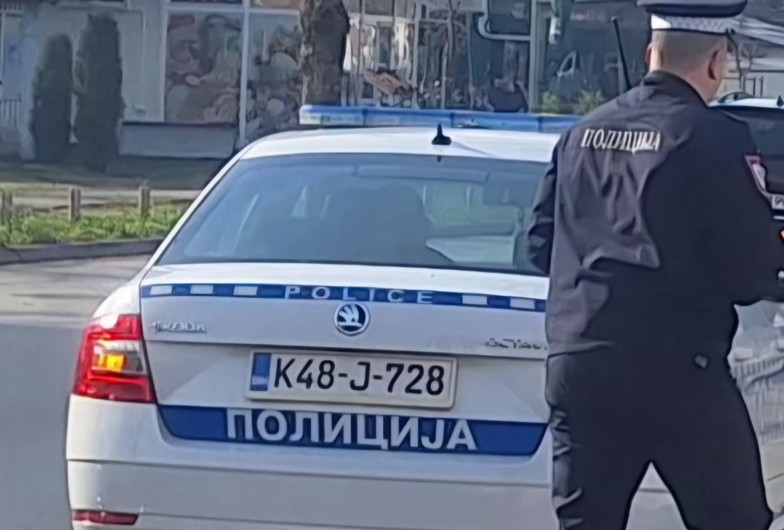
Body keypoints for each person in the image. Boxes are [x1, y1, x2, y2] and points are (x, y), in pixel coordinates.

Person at [525, 1, 784, 528]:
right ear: (716, 62)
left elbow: (536, 246)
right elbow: (749, 271)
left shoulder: (579, 135)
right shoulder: (714, 139)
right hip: (678, 370)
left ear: (650, 53)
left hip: (581, 363)